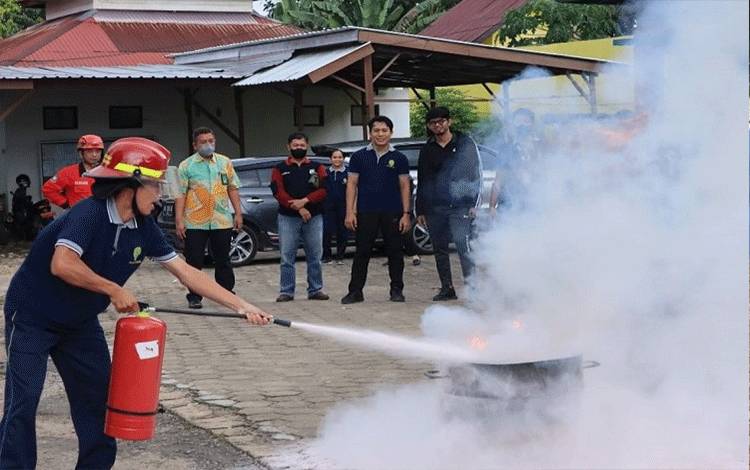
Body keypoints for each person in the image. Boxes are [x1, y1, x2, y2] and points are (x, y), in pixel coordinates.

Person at [0, 137, 271, 470]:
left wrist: (241, 305)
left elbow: (185, 272)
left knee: (98, 404)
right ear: (130, 184)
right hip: (32, 316)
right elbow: (63, 264)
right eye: (155, 186)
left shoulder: (143, 226)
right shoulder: (89, 214)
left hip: (79, 323)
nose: (160, 194)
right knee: (23, 402)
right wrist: (113, 289)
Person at [341, 116, 411, 304]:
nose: (380, 134)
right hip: (366, 211)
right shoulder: (358, 157)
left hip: (393, 212)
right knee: (362, 252)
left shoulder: (399, 158)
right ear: (370, 133)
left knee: (395, 252)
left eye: (384, 130)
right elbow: (352, 185)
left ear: (391, 133)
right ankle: (355, 291)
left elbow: (405, 186)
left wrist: (406, 213)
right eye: (376, 130)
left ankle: (397, 290)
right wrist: (350, 212)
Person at [416, 107, 481, 301]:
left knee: (463, 246)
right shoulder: (427, 149)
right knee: (439, 249)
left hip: (460, 206)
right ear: (429, 126)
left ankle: (472, 290)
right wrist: (420, 209)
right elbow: (423, 179)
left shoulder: (465, 143)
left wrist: (473, 202)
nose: (438, 125)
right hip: (436, 208)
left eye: (441, 121)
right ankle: (447, 288)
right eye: (433, 123)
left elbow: (474, 173)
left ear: (449, 122)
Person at [175, 127, 243, 309]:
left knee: (223, 259)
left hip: (221, 220)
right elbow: (180, 194)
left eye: (211, 141)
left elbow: (233, 188)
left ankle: (227, 293)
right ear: (195, 145)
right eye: (203, 142)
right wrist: (179, 220)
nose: (208, 145)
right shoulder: (186, 166)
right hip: (195, 221)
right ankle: (195, 296)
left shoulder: (225, 162)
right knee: (194, 260)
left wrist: (238, 212)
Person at [269, 132, 329, 302]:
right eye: (295, 145)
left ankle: (315, 289)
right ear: (288, 147)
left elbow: (324, 189)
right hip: (287, 217)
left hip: (314, 216)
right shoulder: (279, 168)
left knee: (315, 255)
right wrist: (299, 208)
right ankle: (286, 291)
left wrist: (305, 201)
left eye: (302, 145)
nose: (299, 148)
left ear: (307, 146)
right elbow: (278, 191)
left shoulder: (317, 167)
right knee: (287, 256)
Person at [489, 108, 544, 216]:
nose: (522, 125)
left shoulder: (540, 147)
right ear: (513, 124)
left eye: (526, 121)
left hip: (534, 202)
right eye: (518, 121)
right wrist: (492, 207)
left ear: (532, 124)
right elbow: (498, 180)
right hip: (509, 203)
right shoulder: (506, 149)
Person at [42, 134, 103, 209]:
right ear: (81, 153)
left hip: (103, 217)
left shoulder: (108, 173)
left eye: (98, 151)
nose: (94, 155)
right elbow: (48, 189)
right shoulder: (68, 173)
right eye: (89, 151)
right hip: (78, 217)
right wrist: (66, 205)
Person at [322, 149, 350, 265]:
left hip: (343, 206)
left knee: (342, 231)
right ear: (330, 159)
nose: (337, 159)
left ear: (343, 159)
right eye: (335, 157)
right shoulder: (325, 173)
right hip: (328, 206)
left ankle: (340, 256)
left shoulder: (348, 173)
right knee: (326, 231)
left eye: (339, 157)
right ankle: (327, 256)